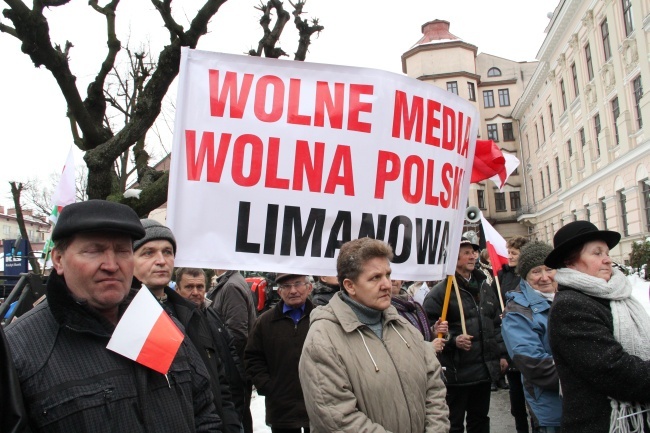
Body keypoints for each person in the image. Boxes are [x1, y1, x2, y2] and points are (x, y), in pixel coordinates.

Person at [4, 200, 219, 432]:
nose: (111, 265)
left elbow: (205, 411)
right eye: (94, 250)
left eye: (122, 251)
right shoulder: (18, 349)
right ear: (58, 259)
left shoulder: (161, 322)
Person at [299, 237, 449, 433]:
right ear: (350, 286)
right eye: (375, 278)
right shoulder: (322, 340)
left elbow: (435, 388)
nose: (387, 284)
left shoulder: (404, 327)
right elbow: (338, 419)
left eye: (387, 274)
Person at [133, 219, 240, 433]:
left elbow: (217, 382)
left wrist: (231, 424)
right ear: (128, 259)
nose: (161, 260)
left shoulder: (193, 315)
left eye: (168, 252)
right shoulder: (126, 318)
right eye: (148, 253)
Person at [546, 221, 650, 433]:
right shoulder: (570, 306)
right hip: (602, 424)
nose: (607, 260)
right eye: (596, 253)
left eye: (607, 252)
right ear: (570, 262)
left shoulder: (619, 295)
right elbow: (614, 371)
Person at [423, 237, 506, 433]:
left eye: (474, 252)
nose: (473, 256)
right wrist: (453, 340)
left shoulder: (485, 286)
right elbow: (429, 328)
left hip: (484, 370)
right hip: (457, 372)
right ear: (454, 258)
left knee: (480, 420)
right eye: (466, 253)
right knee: (454, 423)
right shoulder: (440, 293)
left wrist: (501, 354)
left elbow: (495, 324)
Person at [176, 267, 248, 429]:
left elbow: (230, 351)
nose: (195, 292)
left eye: (200, 287)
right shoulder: (174, 323)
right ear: (177, 289)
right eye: (189, 287)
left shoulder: (212, 314)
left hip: (227, 403)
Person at [501, 242, 561, 433]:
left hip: (588, 406)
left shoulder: (570, 297)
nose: (545, 277)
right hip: (552, 412)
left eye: (549, 269)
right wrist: (581, 378)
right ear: (525, 275)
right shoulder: (517, 311)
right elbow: (532, 363)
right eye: (536, 271)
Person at [245, 273, 314, 433]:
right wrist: (268, 386)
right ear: (279, 292)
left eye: (298, 284)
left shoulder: (321, 318)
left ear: (308, 287)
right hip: (282, 411)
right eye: (286, 286)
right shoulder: (265, 322)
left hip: (317, 407)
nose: (293, 290)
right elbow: (252, 358)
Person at [207, 268, 258, 433]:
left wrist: (223, 364)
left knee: (238, 417)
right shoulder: (230, 282)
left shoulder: (231, 286)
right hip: (234, 366)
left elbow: (237, 332)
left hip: (234, 369)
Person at [493, 235, 531, 432]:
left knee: (535, 401)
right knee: (517, 403)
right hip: (510, 345)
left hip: (530, 343)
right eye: (508, 252)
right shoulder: (502, 276)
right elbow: (493, 305)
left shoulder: (531, 275)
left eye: (514, 253)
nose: (509, 256)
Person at [390, 278, 447, 353]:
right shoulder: (383, 310)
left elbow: (420, 336)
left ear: (402, 280)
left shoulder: (414, 305)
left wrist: (433, 332)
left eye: (396, 276)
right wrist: (430, 347)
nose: (393, 280)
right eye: (389, 276)